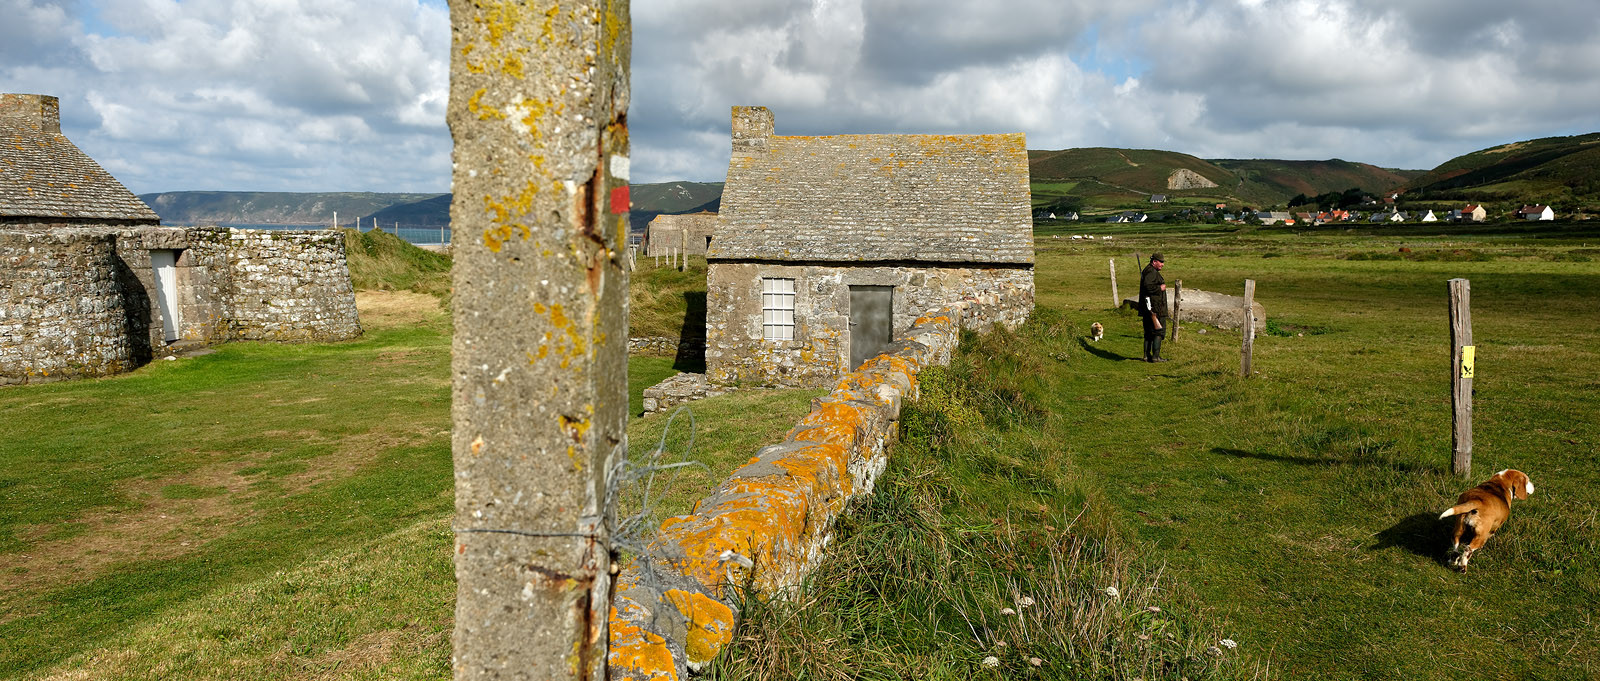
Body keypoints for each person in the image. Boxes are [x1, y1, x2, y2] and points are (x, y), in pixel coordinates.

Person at [1140, 253, 1168, 362]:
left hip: (1149, 307)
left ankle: (1146, 356)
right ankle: (1156, 357)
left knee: (1148, 332)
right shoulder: (1151, 272)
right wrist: (1160, 288)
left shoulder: (1148, 270)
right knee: (1159, 331)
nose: (1162, 264)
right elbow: (1148, 286)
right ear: (1154, 261)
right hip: (1156, 308)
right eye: (1161, 262)